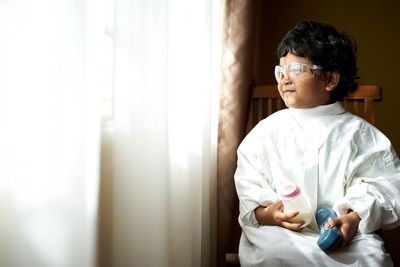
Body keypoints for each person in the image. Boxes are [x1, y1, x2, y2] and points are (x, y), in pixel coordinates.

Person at [234, 20, 400, 266]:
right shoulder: (266, 132)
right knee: (273, 255)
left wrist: (353, 218)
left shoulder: (360, 134)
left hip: (345, 236)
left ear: (330, 80)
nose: (285, 78)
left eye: (297, 69)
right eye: (280, 71)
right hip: (283, 233)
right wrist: (269, 214)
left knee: (370, 258)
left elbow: (384, 186)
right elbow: (250, 185)